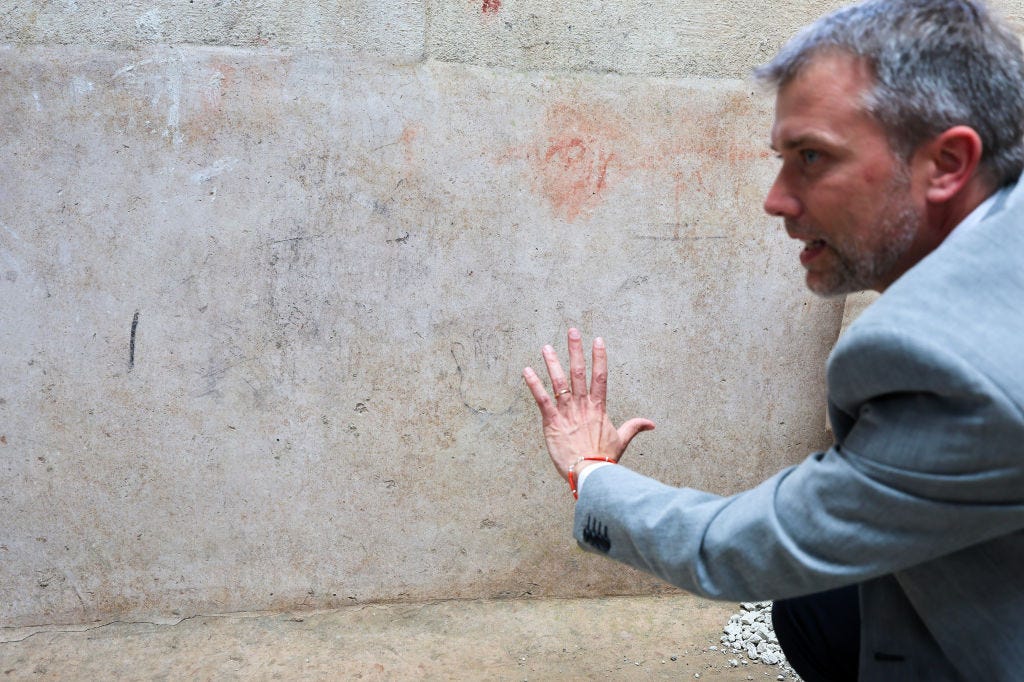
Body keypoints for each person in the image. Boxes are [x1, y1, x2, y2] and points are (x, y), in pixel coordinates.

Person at [522, 1, 1024, 679]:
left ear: (947, 162)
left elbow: (742, 547)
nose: (776, 199)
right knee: (822, 606)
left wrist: (592, 475)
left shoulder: (952, 368)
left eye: (811, 157)